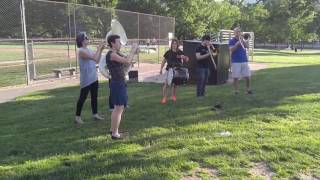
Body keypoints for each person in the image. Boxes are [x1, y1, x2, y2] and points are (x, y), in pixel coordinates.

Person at [106, 34, 138, 140]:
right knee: (118, 108)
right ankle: (115, 133)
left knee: (118, 108)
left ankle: (112, 129)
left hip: (119, 83)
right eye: (119, 42)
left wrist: (134, 52)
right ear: (112, 43)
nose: (120, 44)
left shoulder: (117, 53)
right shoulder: (111, 54)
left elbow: (128, 60)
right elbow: (127, 61)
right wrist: (133, 49)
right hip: (117, 83)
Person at [75, 32, 105, 125]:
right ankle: (77, 117)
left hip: (94, 77)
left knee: (94, 97)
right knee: (82, 98)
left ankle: (95, 114)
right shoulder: (81, 51)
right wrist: (99, 49)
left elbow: (97, 60)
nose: (88, 39)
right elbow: (94, 58)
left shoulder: (89, 49)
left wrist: (100, 50)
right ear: (82, 40)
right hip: (86, 79)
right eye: (86, 38)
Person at [159, 39, 189, 104]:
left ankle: (173, 96)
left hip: (177, 70)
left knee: (175, 84)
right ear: (171, 44)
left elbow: (186, 60)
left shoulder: (180, 52)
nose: (174, 45)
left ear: (177, 45)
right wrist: (161, 69)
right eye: (173, 43)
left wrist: (185, 58)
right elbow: (164, 61)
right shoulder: (168, 52)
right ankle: (164, 98)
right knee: (166, 84)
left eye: (175, 44)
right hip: (169, 70)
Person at [229, 27, 253, 95]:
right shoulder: (231, 41)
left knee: (248, 76)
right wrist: (237, 44)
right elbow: (231, 50)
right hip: (235, 61)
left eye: (239, 31)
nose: (238, 33)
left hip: (244, 60)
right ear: (234, 33)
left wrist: (245, 40)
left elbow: (247, 47)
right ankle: (236, 91)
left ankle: (248, 90)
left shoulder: (243, 40)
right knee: (236, 77)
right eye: (236, 32)